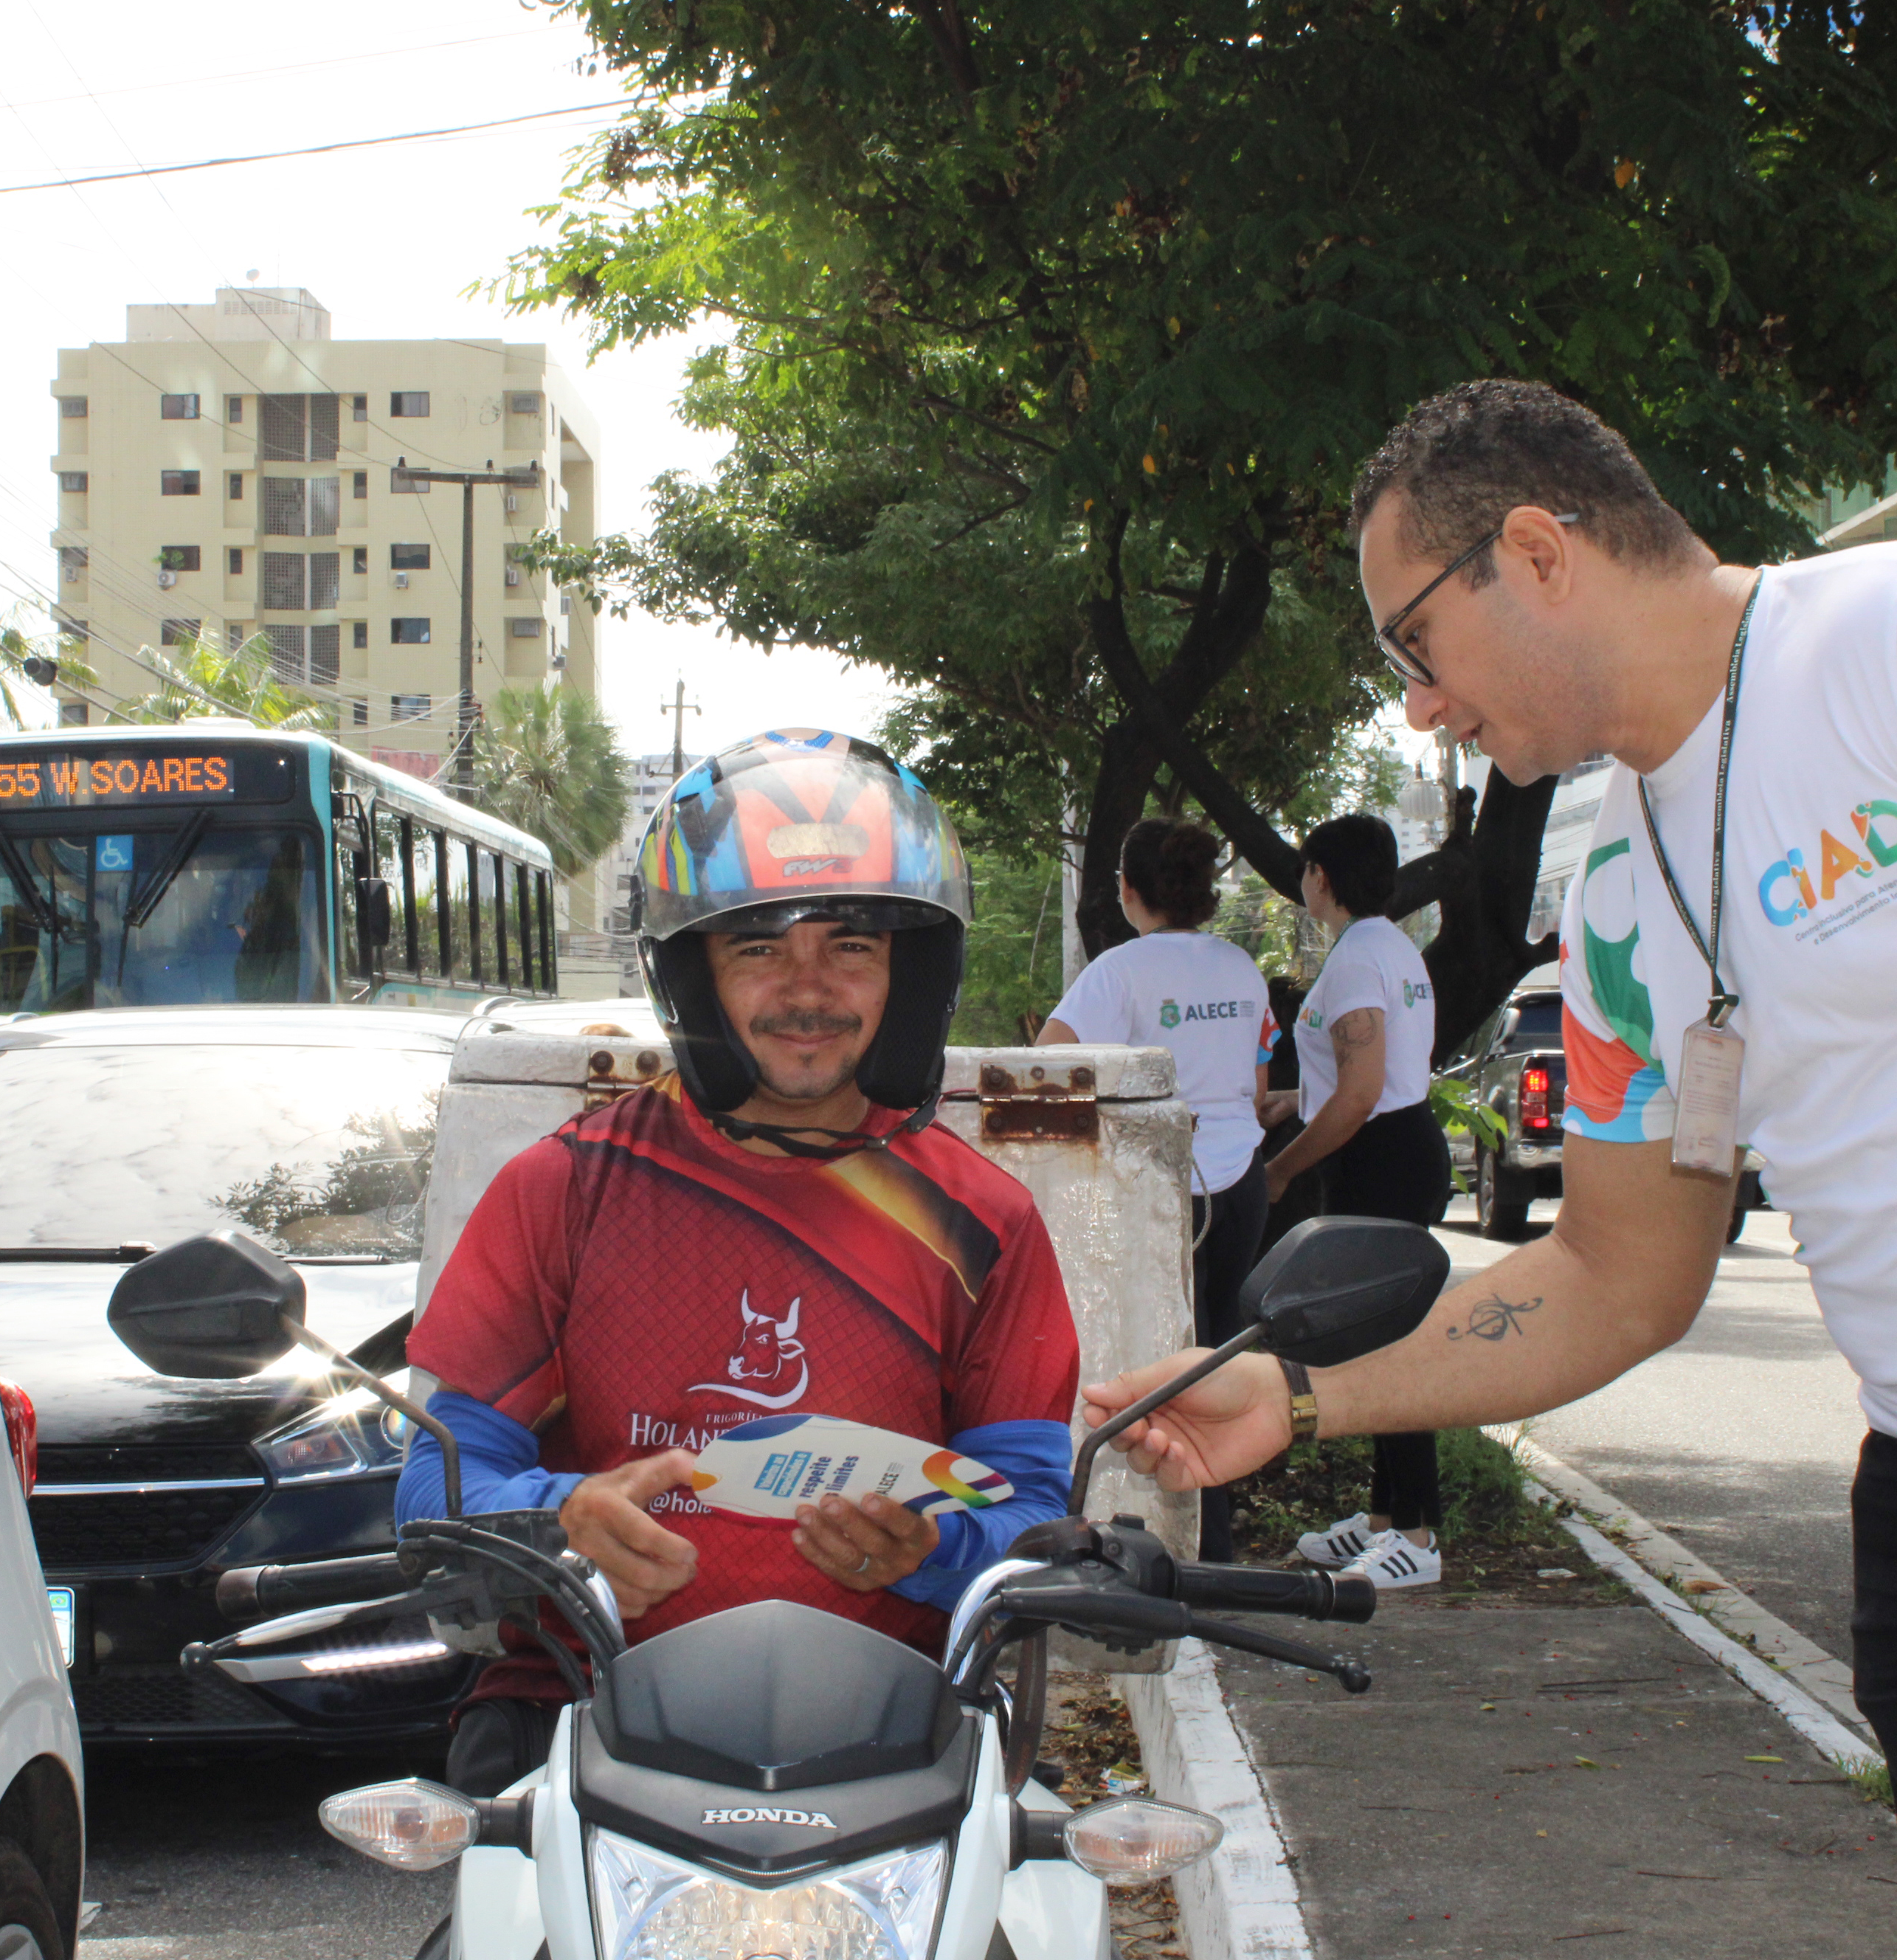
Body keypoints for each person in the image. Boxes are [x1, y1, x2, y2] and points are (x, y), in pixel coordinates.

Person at [1077, 378, 1897, 1956]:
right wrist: (1301, 1398)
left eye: (1413, 645)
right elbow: (1614, 1274)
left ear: (1536, 547)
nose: (1420, 710)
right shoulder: (1624, 901)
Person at [401, 730, 1082, 1795]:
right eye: (758, 948)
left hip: (895, 1727)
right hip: (587, 1711)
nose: (807, 989)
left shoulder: (979, 1221)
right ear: (692, 975)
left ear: (909, 972)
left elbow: (1035, 1507)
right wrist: (558, 1518)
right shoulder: (563, 1191)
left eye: (851, 946)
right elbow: (435, 1494)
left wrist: (936, 1550)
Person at [1035, 814, 1273, 1559]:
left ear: (1129, 891)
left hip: (1168, 1189)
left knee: (1163, 1361)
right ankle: (1220, 1544)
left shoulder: (1118, 971)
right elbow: (1259, 1086)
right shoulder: (1242, 967)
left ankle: (1176, 1546)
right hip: (1244, 1184)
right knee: (1223, 1355)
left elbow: (1046, 1064)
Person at [1255, 813, 1451, 1590]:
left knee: (1393, 1348)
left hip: (1383, 1161)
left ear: (1322, 877)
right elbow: (1366, 1078)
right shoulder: (1388, 947)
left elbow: (1364, 1092)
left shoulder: (1357, 960)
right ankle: (1382, 1518)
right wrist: (1291, 1104)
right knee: (1375, 1340)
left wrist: (1282, 1170)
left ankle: (1418, 1533)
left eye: (1306, 868)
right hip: (1396, 1148)